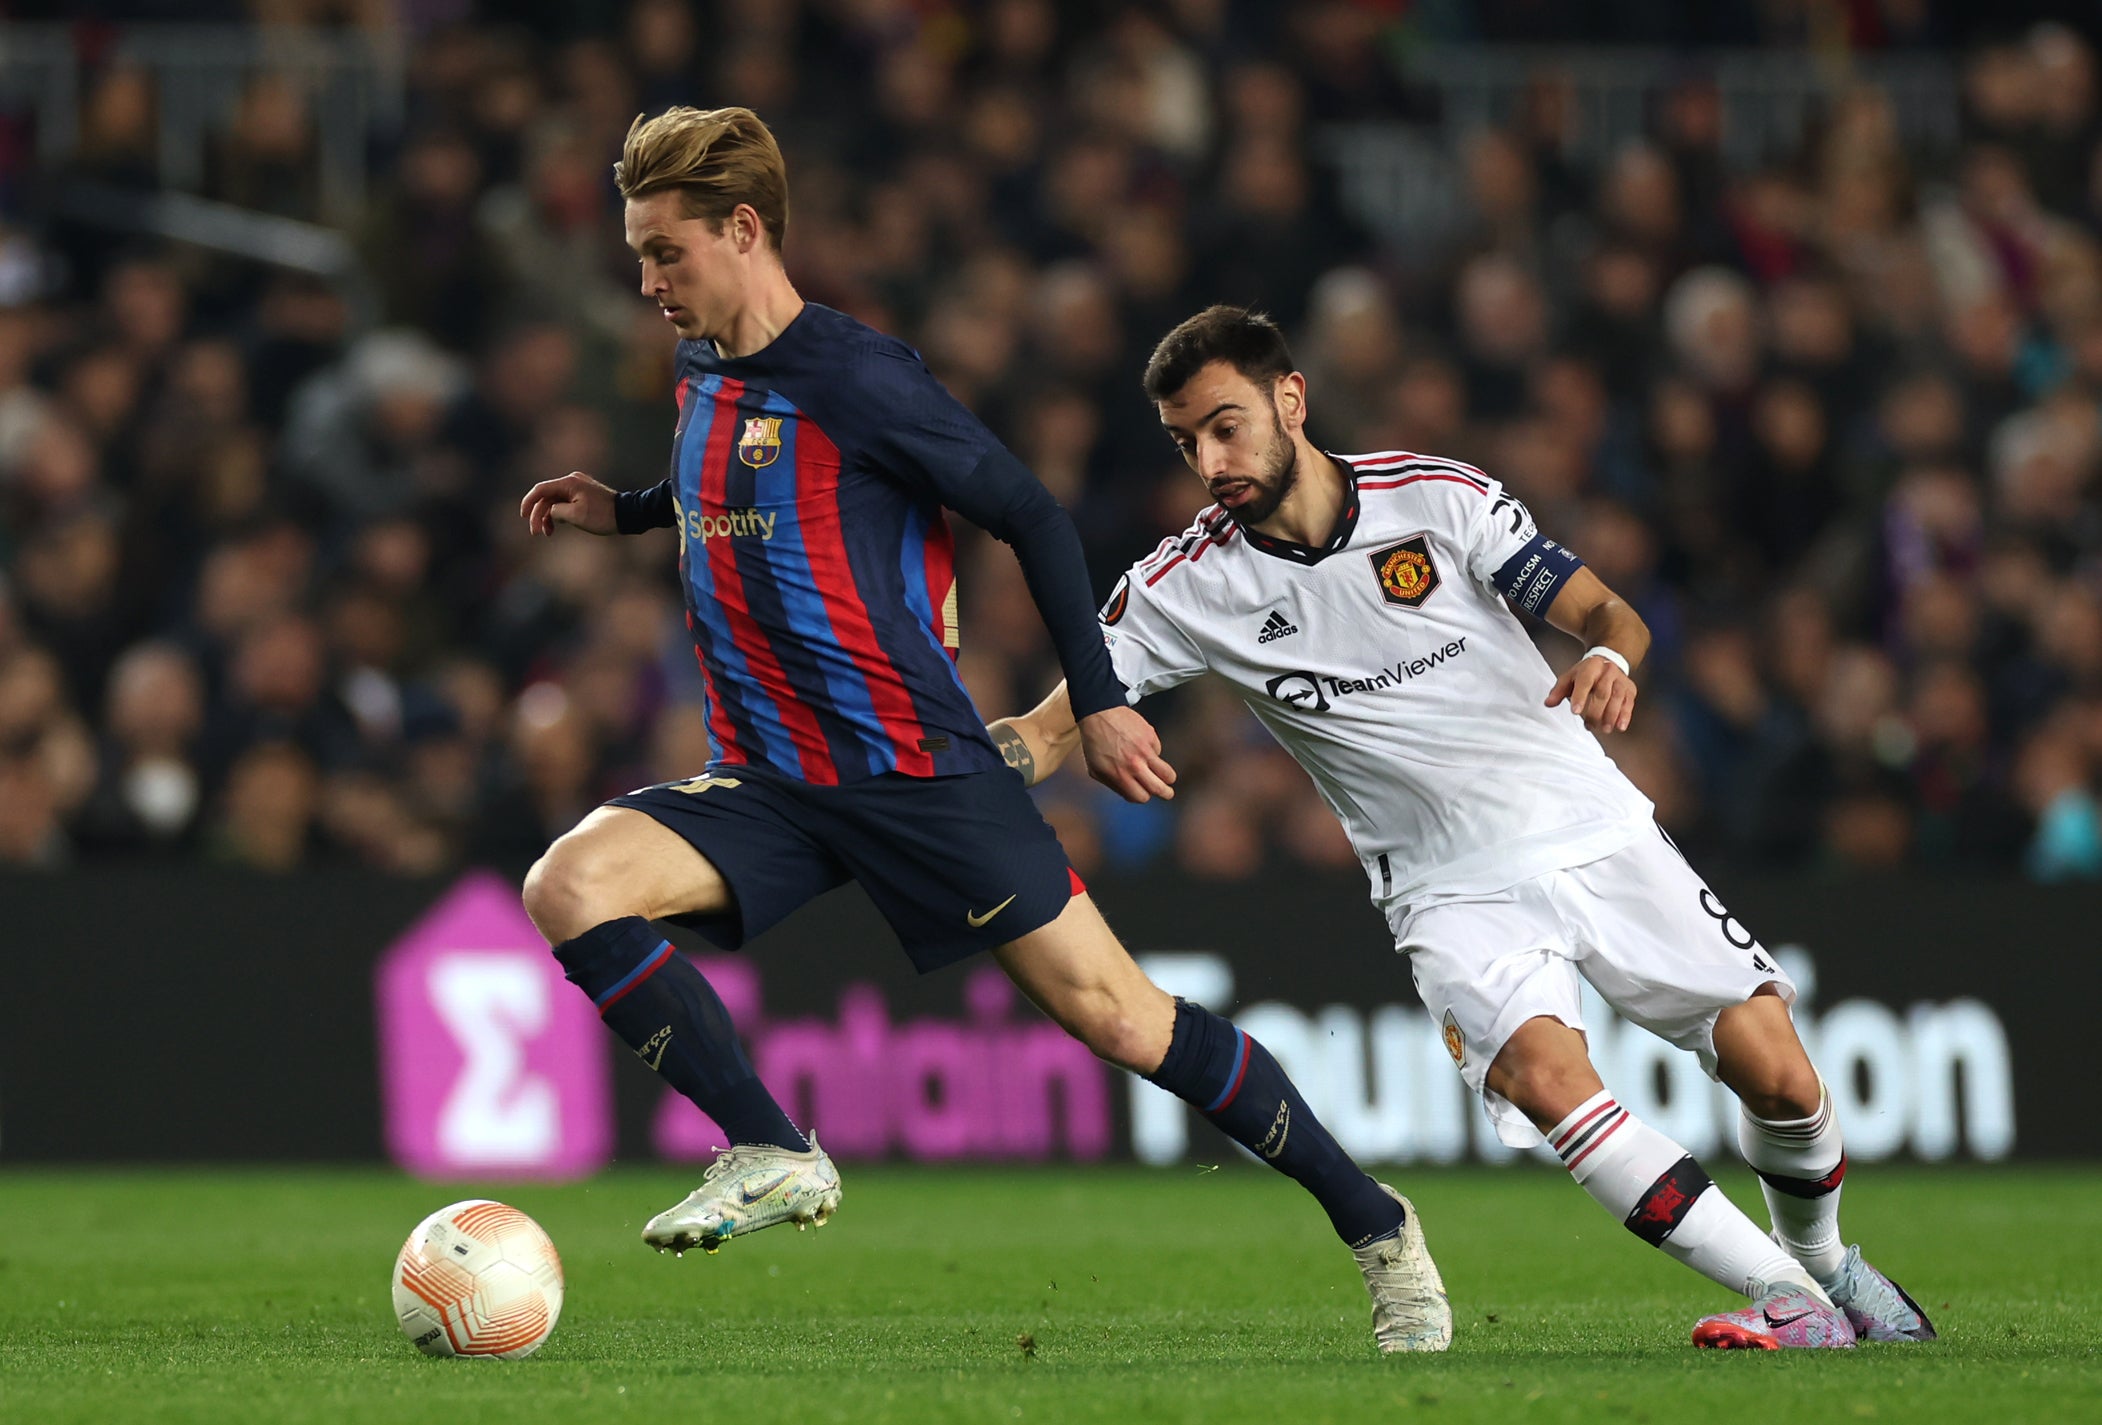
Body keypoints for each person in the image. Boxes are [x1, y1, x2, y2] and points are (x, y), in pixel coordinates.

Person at [514, 110, 1451, 1354]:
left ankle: (1377, 1226)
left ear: (743, 231)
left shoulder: (860, 378)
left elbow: (1033, 516)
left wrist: (1100, 699)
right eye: (639, 256)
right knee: (568, 884)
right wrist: (628, 510)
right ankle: (771, 1148)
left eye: (666, 252)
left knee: (1121, 1020)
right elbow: (736, 492)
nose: (647, 282)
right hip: (770, 777)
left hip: (914, 771)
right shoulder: (701, 371)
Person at [993, 305, 1939, 1352]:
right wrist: (944, 764)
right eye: (1185, 442)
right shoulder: (1184, 587)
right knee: (1546, 1082)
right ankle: (1789, 1301)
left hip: (1589, 824)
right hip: (1445, 890)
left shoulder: (1434, 498)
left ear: (1290, 400)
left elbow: (1606, 614)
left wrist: (1610, 662)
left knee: (1781, 1075)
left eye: (1224, 426)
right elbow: (1050, 729)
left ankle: (1824, 1264)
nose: (1208, 460)